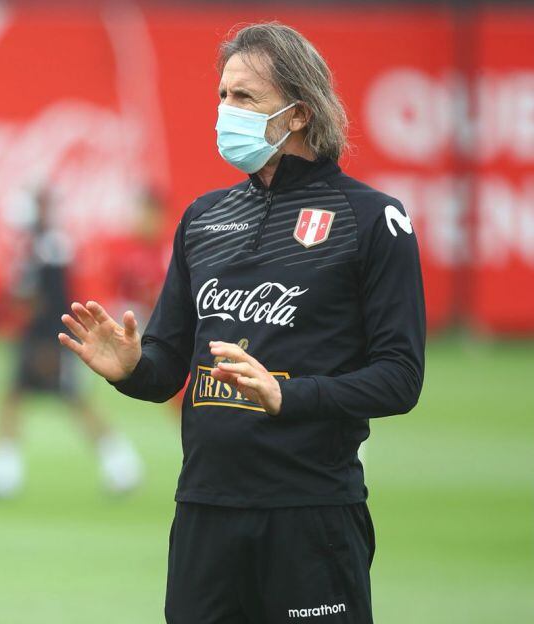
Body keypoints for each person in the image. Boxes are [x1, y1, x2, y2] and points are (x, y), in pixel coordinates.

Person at [59, 22, 425, 624]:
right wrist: (130, 370)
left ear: (300, 113)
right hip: (204, 509)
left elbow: (400, 378)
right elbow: (166, 367)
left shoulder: (372, 218)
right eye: (223, 95)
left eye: (245, 97)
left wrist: (289, 394)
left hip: (310, 513)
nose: (225, 110)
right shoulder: (204, 218)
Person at [0, 187, 142, 498]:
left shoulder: (52, 248)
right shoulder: (34, 247)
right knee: (13, 398)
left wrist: (52, 343)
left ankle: (122, 465)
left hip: (51, 338)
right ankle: (5, 473)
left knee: (76, 400)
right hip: (34, 336)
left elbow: (57, 299)